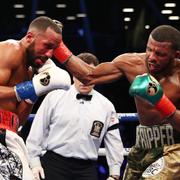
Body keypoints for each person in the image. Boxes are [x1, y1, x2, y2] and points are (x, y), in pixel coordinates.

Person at [53, 25, 180, 179]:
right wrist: (58, 47)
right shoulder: (133, 63)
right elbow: (89, 76)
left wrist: (160, 101)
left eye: (160, 54)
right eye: (149, 49)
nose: (151, 57)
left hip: (174, 147)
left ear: (175, 55)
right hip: (143, 144)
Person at [26, 52, 124, 180]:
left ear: (98, 76)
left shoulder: (106, 106)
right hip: (55, 164)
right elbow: (37, 131)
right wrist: (34, 163)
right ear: (73, 73)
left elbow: (114, 141)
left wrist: (114, 174)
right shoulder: (54, 97)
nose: (84, 79)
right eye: (80, 74)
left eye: (89, 75)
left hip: (87, 170)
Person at [0, 16, 71, 179]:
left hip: (10, 135)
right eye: (47, 46)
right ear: (30, 37)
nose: (49, 54)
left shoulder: (31, 71)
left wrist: (33, 94)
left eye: (54, 50)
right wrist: (24, 90)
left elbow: (18, 120)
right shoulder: (10, 49)